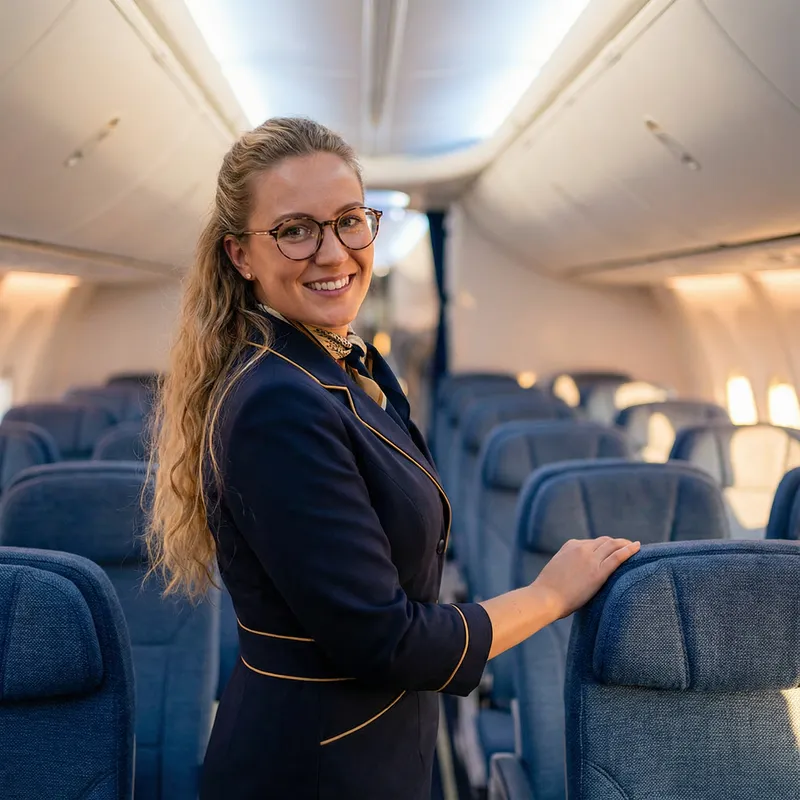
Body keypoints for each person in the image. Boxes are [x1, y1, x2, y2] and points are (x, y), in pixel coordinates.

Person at [146, 117, 640, 800]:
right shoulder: (277, 403)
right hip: (316, 771)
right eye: (295, 230)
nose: (333, 253)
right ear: (241, 255)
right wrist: (548, 595)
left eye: (349, 221)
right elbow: (386, 638)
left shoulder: (335, 368)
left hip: (369, 746)